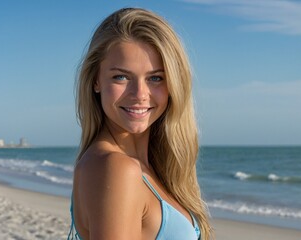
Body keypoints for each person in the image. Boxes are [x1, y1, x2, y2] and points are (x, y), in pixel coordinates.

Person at [67, 7, 212, 240]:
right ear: (96, 80)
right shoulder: (116, 168)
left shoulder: (147, 166)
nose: (140, 94)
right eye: (121, 77)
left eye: (156, 78)